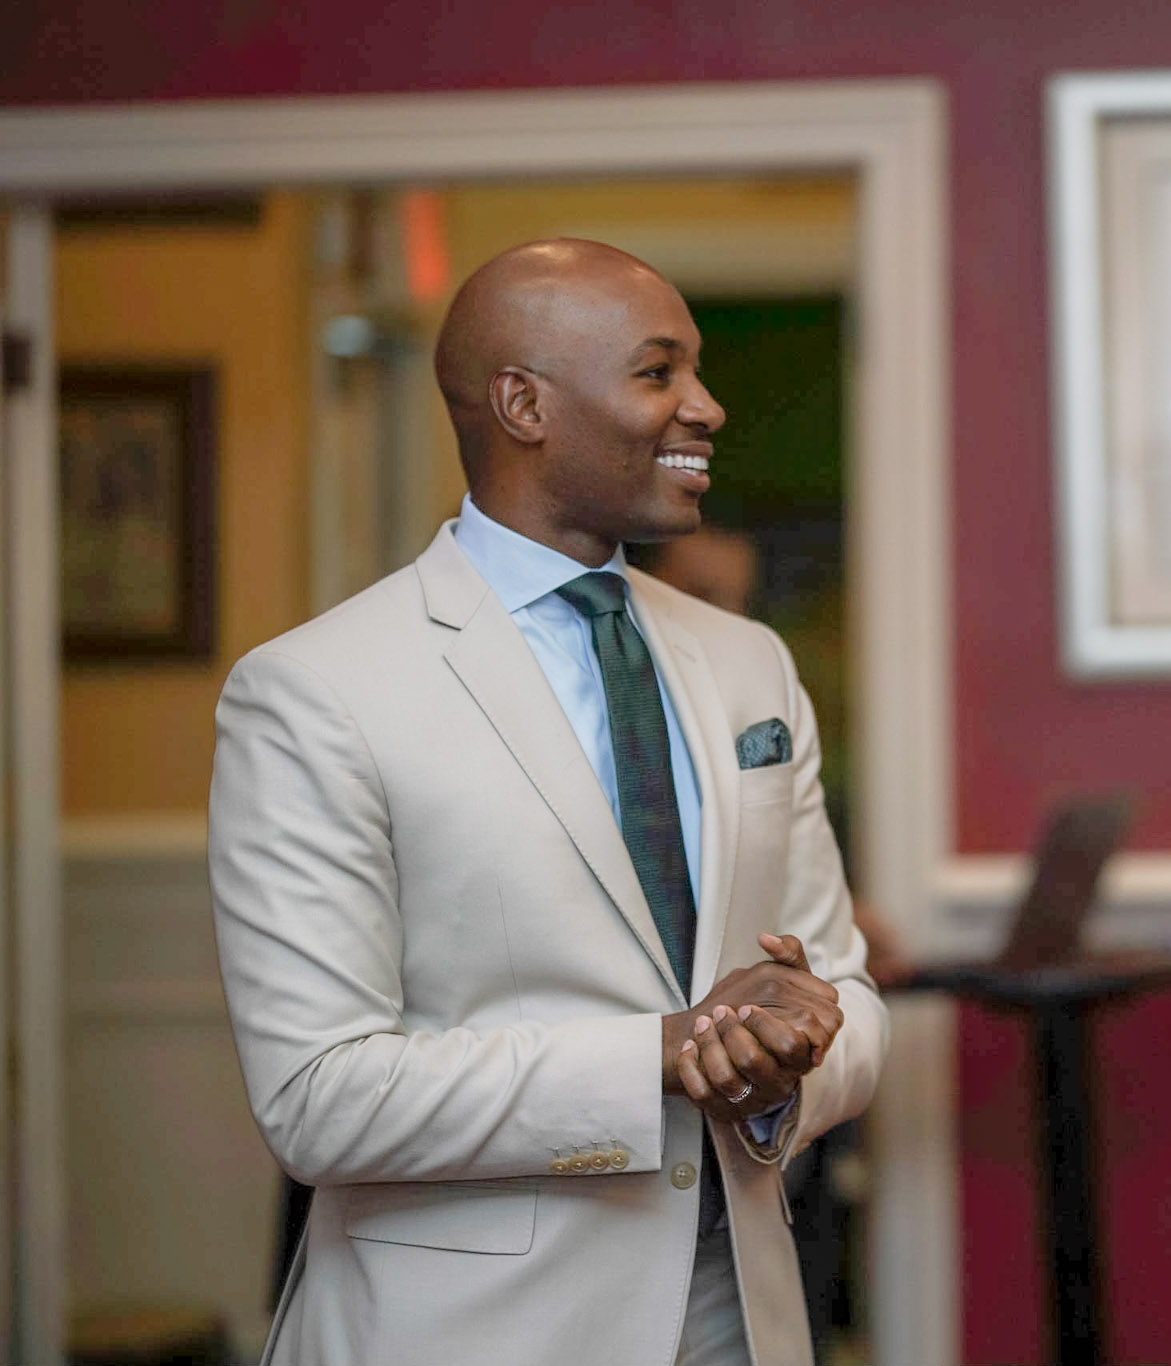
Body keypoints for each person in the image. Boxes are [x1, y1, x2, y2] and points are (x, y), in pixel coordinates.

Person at [208, 238, 886, 1366]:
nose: (706, 407)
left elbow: (844, 992)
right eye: (658, 372)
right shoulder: (316, 691)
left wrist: (783, 1060)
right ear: (524, 404)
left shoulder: (749, 663)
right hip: (471, 1334)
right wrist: (662, 1055)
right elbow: (318, 1096)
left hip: (742, 1316)